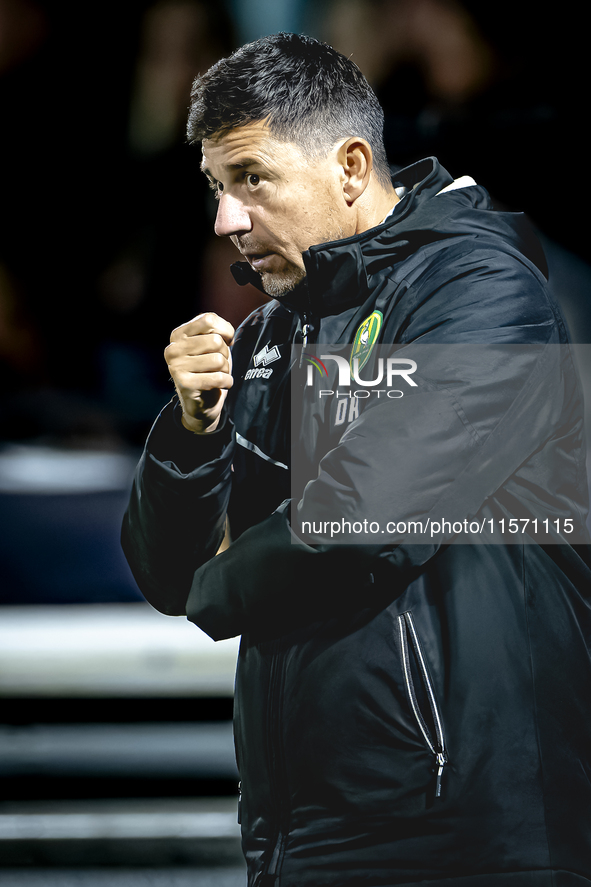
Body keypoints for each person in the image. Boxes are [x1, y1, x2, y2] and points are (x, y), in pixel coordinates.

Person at [121, 33, 591, 886]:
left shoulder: (483, 287)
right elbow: (164, 573)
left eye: (252, 179)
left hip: (467, 827)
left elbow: (362, 521)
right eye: (218, 188)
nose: (227, 218)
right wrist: (188, 434)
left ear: (348, 165)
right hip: (300, 827)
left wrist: (214, 583)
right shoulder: (270, 329)